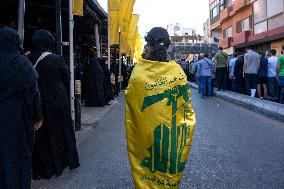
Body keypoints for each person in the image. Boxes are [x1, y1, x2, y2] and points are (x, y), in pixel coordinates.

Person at [125, 27, 196, 188]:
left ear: (148, 45)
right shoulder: (177, 71)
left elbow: (131, 98)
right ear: (167, 47)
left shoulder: (139, 71)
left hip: (145, 133)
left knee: (147, 162)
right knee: (167, 163)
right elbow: (186, 105)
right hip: (171, 133)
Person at [29, 29, 80, 179]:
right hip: (57, 100)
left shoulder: (28, 59)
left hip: (37, 101)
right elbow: (67, 77)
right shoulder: (56, 59)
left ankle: (44, 167)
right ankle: (60, 163)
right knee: (58, 131)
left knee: (41, 135)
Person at [0, 27, 42, 189]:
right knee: (18, 159)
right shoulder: (22, 64)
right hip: (18, 119)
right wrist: (37, 117)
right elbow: (33, 94)